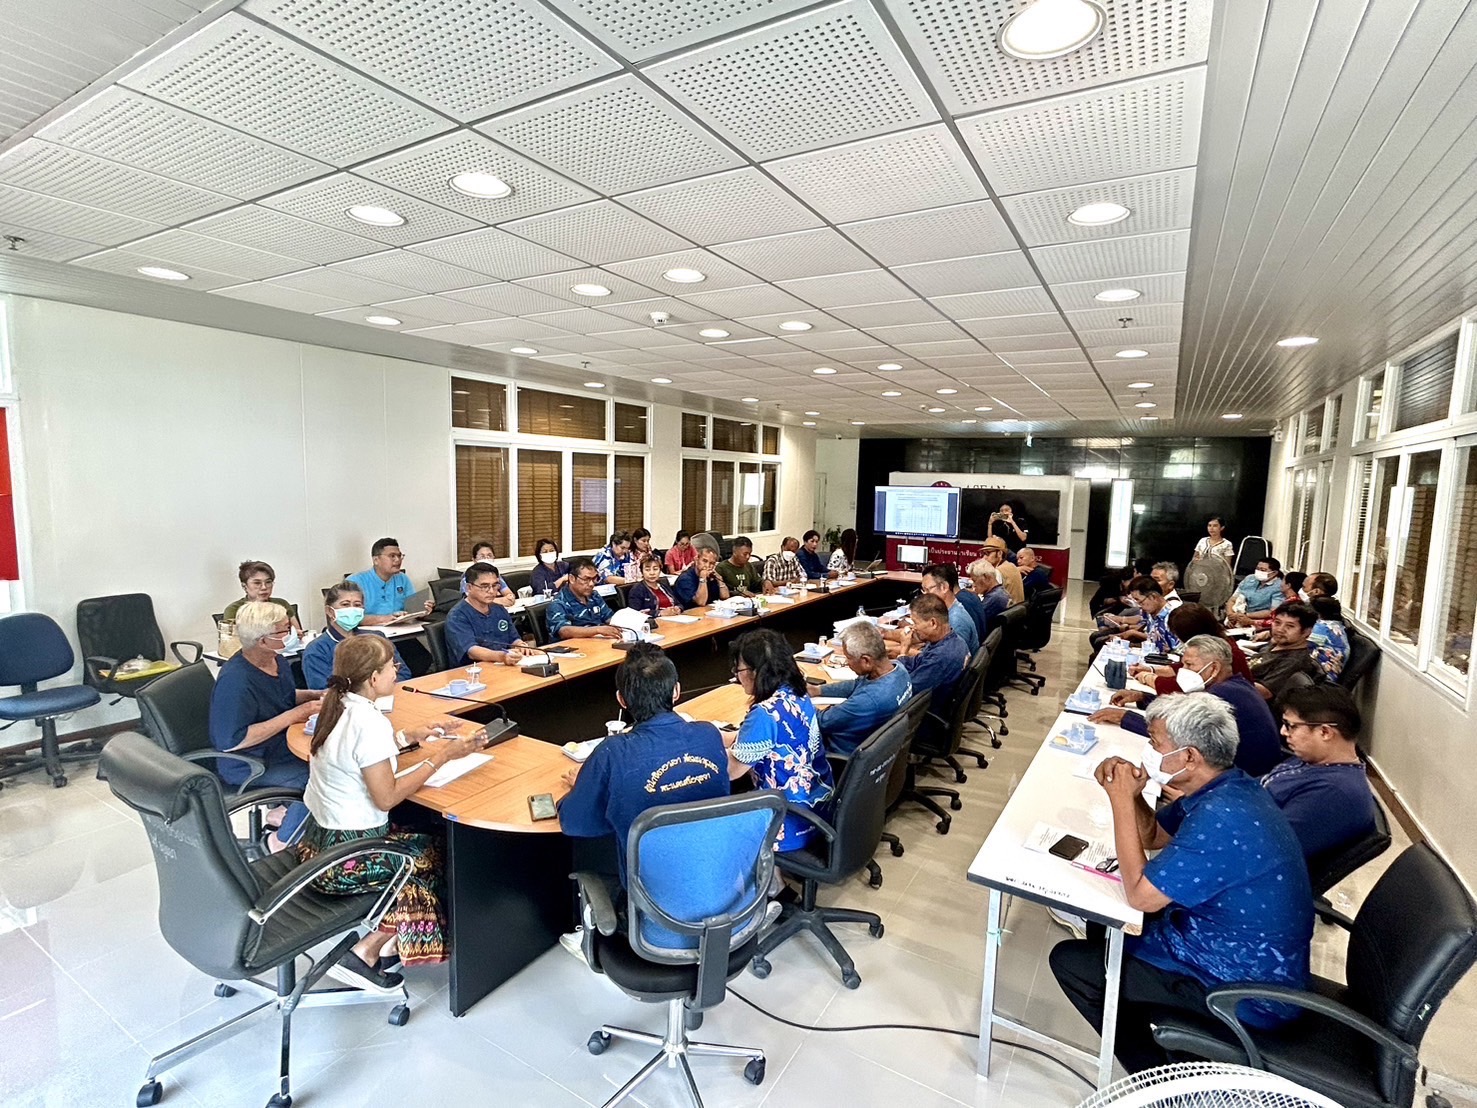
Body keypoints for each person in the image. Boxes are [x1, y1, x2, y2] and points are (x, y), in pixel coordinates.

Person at [1050, 693, 1312, 1074]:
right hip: (1219, 942)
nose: (1150, 751)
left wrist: (1120, 800)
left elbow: (1141, 896)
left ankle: (1163, 1079)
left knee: (1072, 963)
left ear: (1190, 757)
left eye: (1156, 743)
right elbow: (1154, 837)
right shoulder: (1229, 787)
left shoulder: (1223, 817)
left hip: (1241, 986)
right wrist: (1137, 798)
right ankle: (1137, 1001)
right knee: (1103, 927)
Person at [301, 633, 486, 990]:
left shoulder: (338, 703)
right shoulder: (368, 721)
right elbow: (386, 798)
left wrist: (408, 736)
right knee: (430, 854)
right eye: (391, 666)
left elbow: (356, 755)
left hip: (318, 843)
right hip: (345, 858)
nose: (397, 669)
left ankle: (390, 942)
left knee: (420, 837)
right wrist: (442, 756)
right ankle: (365, 952)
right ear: (373, 677)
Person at [559, 644, 730, 886]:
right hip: (722, 882)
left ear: (621, 700)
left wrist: (583, 784)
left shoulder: (612, 752)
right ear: (676, 691)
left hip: (654, 899)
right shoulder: (708, 734)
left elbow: (574, 822)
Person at [1092, 635, 1283, 777]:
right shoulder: (1234, 685)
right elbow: (1181, 710)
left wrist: (1124, 717)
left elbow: (1174, 733)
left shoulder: (1224, 695)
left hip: (1241, 776)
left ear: (1214, 668)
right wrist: (1141, 697)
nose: (1183, 671)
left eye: (1189, 665)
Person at [723, 630, 834, 852]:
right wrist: (714, 734)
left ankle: (772, 882)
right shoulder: (797, 693)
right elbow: (769, 741)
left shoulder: (764, 713)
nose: (737, 676)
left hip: (788, 820)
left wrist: (699, 749)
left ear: (757, 672)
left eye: (740, 670)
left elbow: (732, 770)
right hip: (820, 808)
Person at [208, 601, 321, 789]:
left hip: (280, 745)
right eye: (285, 629)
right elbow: (231, 741)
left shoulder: (277, 660)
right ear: (262, 641)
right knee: (320, 778)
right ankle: (287, 817)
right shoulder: (235, 680)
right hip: (251, 763)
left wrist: (313, 695)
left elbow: (278, 695)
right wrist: (294, 714)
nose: (293, 633)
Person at [1261, 685, 1377, 861]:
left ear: (1325, 732)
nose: (1283, 732)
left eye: (1290, 725)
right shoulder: (1314, 759)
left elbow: (1266, 850)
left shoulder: (1332, 794)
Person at [812, 622, 912, 755]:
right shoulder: (899, 670)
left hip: (840, 756)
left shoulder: (869, 700)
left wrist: (795, 701)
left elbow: (821, 722)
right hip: (878, 750)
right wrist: (818, 690)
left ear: (866, 660)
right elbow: (856, 684)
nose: (847, 663)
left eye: (848, 658)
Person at [301, 581, 410, 690]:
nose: (352, 609)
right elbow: (324, 691)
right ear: (329, 611)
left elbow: (403, 672)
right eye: (345, 604)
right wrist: (369, 692)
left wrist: (383, 688)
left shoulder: (377, 638)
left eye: (357, 605)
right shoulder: (317, 650)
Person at [1128, 603, 1253, 691]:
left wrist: (1148, 678)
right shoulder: (1220, 642)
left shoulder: (1222, 653)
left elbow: (1185, 688)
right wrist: (1151, 669)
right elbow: (1185, 668)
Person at [444, 563, 537, 667]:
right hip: (472, 671)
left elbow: (513, 638)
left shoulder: (499, 609)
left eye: (495, 585)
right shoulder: (457, 616)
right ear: (469, 587)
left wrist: (521, 645)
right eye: (485, 586)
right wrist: (501, 656)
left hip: (503, 666)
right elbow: (472, 651)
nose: (492, 591)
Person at [893, 594, 968, 716]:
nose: (913, 628)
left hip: (926, 716)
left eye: (915, 623)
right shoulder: (952, 640)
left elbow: (905, 690)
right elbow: (917, 662)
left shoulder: (941, 656)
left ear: (933, 623)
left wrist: (903, 650)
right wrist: (902, 656)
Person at [1248, 603, 1324, 704]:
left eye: (1290, 626)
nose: (1280, 629)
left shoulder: (1294, 661)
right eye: (1277, 623)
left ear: (1306, 632)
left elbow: (1264, 692)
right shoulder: (1280, 643)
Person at [348, 538, 433, 626]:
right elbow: (350, 617)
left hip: (400, 631)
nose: (397, 560)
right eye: (392, 556)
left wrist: (422, 611)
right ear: (376, 560)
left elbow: (412, 611)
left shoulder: (403, 578)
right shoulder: (355, 581)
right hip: (369, 635)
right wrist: (384, 619)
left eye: (399, 556)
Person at [546, 558, 622, 640]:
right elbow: (564, 631)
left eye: (594, 579)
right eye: (586, 579)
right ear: (572, 579)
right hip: (572, 648)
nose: (591, 584)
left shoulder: (594, 595)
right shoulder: (558, 603)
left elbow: (609, 618)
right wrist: (597, 630)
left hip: (597, 643)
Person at [918, 562, 979, 655]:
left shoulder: (956, 620)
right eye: (923, 590)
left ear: (944, 587)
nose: (925, 595)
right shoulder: (951, 612)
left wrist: (904, 652)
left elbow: (949, 659)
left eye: (928, 589)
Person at [222, 561, 302, 631]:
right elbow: (231, 643)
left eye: (268, 582)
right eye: (257, 583)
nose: (264, 587)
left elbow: (298, 632)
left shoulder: (281, 604)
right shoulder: (234, 610)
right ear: (244, 586)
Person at [1227, 557, 1286, 625]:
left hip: (1258, 622)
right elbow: (1232, 599)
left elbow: (1273, 611)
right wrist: (1230, 615)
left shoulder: (1279, 587)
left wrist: (1246, 615)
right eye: (1257, 569)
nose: (1259, 571)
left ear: (1274, 573)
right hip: (1236, 616)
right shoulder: (1249, 579)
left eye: (1263, 570)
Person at [1308, 590, 1350, 680]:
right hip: (1330, 671)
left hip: (1323, 674)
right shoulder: (1336, 624)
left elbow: (1301, 643)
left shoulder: (1322, 628)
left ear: (1318, 613)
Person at [965, 558, 1011, 637]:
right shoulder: (999, 592)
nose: (973, 585)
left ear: (986, 577)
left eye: (974, 580)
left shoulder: (995, 599)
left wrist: (972, 598)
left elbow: (973, 621)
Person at [626, 554, 682, 618]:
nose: (652, 573)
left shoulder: (663, 586)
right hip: (655, 623)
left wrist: (678, 608)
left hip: (674, 619)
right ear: (642, 572)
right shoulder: (637, 589)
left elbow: (678, 603)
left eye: (655, 569)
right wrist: (659, 613)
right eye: (647, 570)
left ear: (660, 571)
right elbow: (635, 613)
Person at [982, 536, 1024, 604]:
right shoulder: (1011, 565)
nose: (984, 558)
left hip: (1004, 612)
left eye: (988, 553)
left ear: (999, 554)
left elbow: (990, 598)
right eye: (983, 554)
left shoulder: (997, 572)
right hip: (1015, 611)